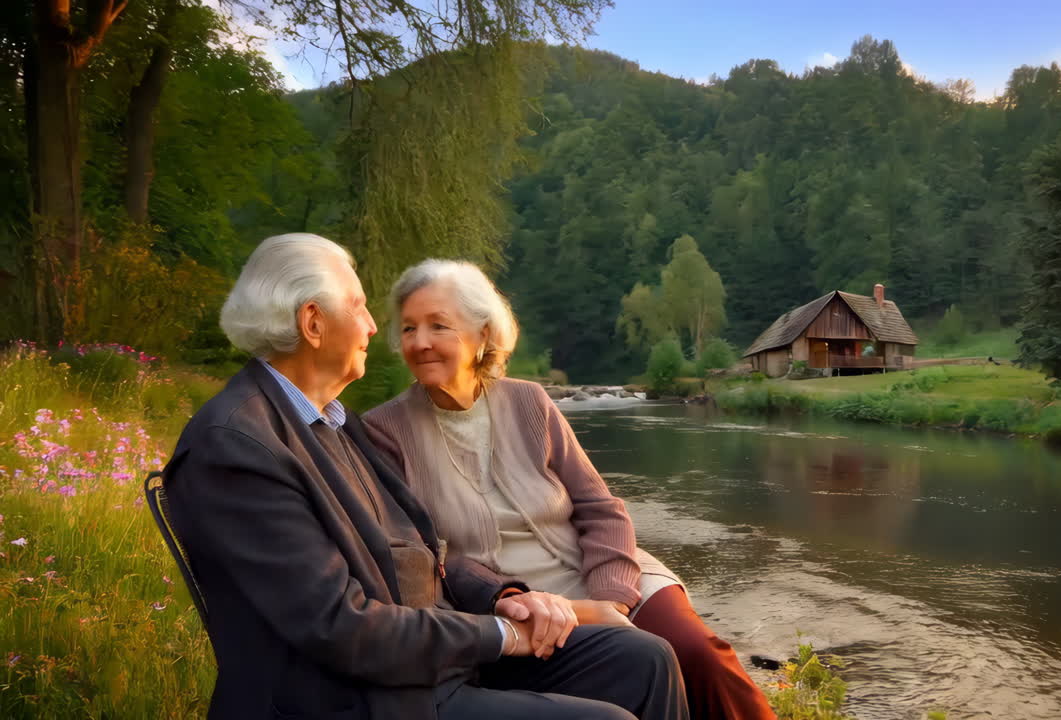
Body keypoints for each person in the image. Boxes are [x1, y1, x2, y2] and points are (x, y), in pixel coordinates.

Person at [162, 234, 689, 720]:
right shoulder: (238, 447)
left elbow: (423, 550)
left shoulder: (327, 423)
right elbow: (340, 628)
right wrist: (502, 634)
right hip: (359, 696)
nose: (374, 327)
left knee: (644, 658)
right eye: (359, 307)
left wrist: (504, 597)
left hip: (424, 658)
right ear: (313, 322)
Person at [364, 259, 776, 720]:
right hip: (514, 603)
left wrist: (610, 599)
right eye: (408, 329)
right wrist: (521, 601)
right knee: (634, 666)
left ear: (482, 334)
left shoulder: (529, 402)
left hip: (606, 570)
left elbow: (600, 509)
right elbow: (422, 555)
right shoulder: (384, 432)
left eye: (438, 325)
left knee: (698, 654)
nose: (419, 343)